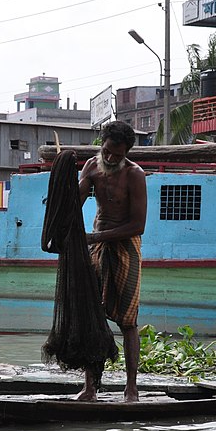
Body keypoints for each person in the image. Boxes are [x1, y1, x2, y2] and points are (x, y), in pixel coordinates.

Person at [77, 120, 147, 402]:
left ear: (126, 153)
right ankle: (90, 387)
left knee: (128, 321)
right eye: (107, 152)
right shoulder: (91, 168)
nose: (110, 158)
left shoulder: (135, 174)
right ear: (101, 145)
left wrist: (97, 238)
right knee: (93, 317)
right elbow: (75, 202)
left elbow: (137, 225)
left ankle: (131, 387)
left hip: (125, 247)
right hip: (97, 246)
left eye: (117, 155)